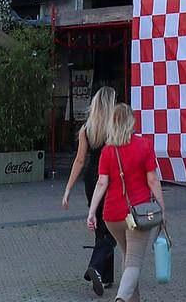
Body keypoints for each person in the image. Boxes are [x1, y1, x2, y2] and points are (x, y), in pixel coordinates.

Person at [88, 103, 167, 302]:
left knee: (127, 256)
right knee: (133, 261)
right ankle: (121, 299)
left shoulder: (108, 150)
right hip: (139, 214)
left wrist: (91, 212)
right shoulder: (144, 145)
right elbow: (152, 180)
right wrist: (162, 209)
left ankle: (134, 299)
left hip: (112, 216)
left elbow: (101, 183)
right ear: (131, 121)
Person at [60, 87, 118, 295]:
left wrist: (67, 189)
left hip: (92, 179)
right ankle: (96, 265)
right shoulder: (116, 127)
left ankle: (105, 275)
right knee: (115, 229)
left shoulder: (87, 128)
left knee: (100, 225)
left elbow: (80, 159)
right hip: (111, 179)